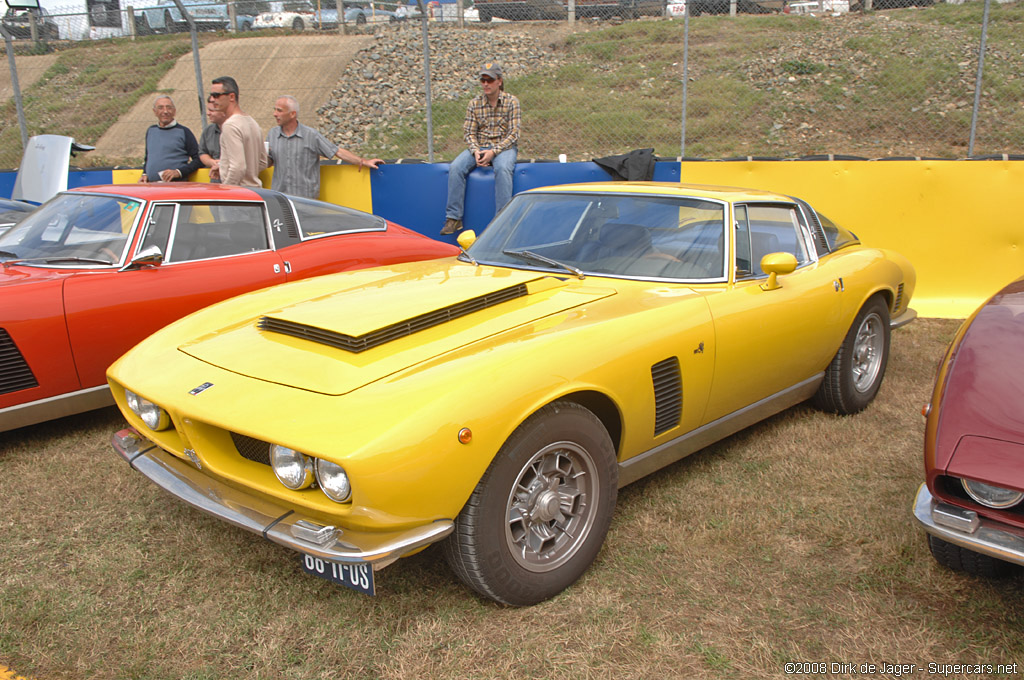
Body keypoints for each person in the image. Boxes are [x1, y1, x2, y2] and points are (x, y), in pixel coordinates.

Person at [441, 61, 521, 235]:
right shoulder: (474, 104)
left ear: (499, 81)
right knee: (455, 167)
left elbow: (514, 134)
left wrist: (493, 152)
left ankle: (502, 219)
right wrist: (476, 151)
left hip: (503, 148)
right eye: (483, 80)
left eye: (489, 80)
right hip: (480, 146)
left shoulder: (512, 102)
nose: (485, 84)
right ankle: (454, 218)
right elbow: (469, 133)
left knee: (502, 168)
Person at [266, 95, 383, 199]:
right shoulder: (272, 134)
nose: (274, 114)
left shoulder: (310, 135)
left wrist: (363, 161)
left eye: (279, 110)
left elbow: (336, 151)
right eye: (275, 110)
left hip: (305, 201)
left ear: (292, 114)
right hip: (280, 200)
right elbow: (268, 161)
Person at [208, 75, 267, 187]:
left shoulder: (230, 125)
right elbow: (263, 162)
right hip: (254, 193)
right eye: (211, 95)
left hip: (238, 195)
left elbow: (238, 167)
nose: (213, 99)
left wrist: (226, 190)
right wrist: (223, 165)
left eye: (216, 95)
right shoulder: (252, 123)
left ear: (231, 96)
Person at [139, 96, 202, 183]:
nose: (165, 111)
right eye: (160, 108)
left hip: (175, 187)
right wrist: (145, 174)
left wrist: (178, 172)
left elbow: (198, 159)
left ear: (174, 111)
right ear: (155, 112)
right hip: (152, 187)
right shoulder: (151, 131)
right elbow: (148, 158)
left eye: (169, 107)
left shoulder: (184, 132)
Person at [198, 100, 223, 183]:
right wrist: (211, 162)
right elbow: (202, 152)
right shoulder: (208, 131)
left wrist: (222, 164)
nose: (208, 113)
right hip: (215, 179)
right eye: (208, 110)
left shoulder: (236, 129)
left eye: (212, 110)